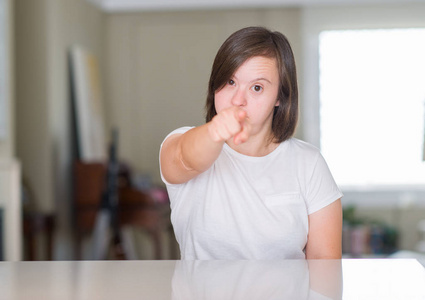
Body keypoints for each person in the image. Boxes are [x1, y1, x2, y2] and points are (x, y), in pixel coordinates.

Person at [159, 26, 343, 260]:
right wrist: (215, 131)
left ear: (280, 97)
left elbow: (324, 275)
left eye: (257, 87)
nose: (238, 100)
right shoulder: (181, 140)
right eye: (230, 81)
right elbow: (184, 160)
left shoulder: (309, 163)